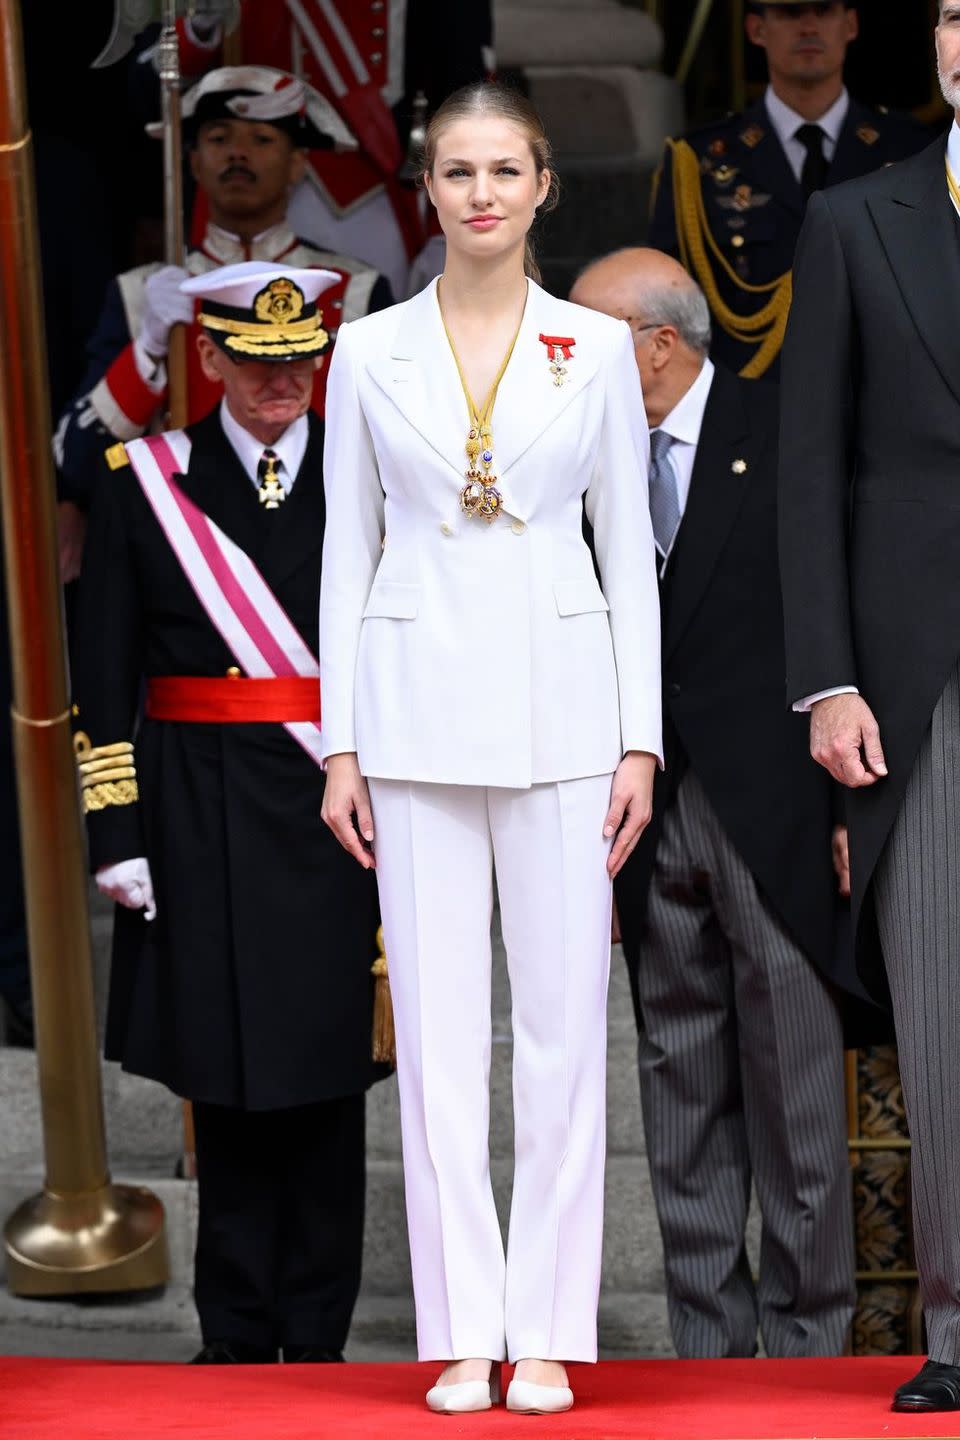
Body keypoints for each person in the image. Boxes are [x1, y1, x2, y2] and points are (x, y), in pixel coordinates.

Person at [318, 83, 662, 1414]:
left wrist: (640, 740)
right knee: (443, 1042)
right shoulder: (367, 350)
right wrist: (341, 744)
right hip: (407, 714)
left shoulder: (593, 343)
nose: (480, 193)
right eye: (456, 171)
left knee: (566, 1035)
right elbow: (349, 549)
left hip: (571, 712)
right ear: (427, 185)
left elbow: (626, 553)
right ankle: (463, 1327)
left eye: (503, 169)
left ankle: (546, 1331)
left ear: (542, 186)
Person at [72, 262, 387, 1364]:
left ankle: (318, 1334)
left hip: (335, 810)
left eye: (298, 360)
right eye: (256, 364)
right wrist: (116, 831)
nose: (280, 384)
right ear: (207, 358)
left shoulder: (370, 477)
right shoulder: (138, 479)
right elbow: (101, 669)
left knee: (325, 1080)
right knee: (225, 1074)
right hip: (193, 812)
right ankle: (238, 1337)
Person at [570, 247, 855, 1360]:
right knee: (678, 1085)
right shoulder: (579, 455)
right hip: (641, 809)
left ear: (655, 343)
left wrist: (850, 815)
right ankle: (711, 1345)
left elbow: (841, 618)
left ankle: (809, 1340)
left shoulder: (784, 431)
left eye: (583, 336)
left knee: (795, 1092)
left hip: (775, 808)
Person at [778, 3, 960, 1412]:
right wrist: (829, 677)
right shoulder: (854, 219)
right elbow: (810, 473)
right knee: (946, 1016)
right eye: (958, 11)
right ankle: (959, 1329)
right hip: (917, 686)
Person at [55, 65, 394, 516]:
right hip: (186, 541)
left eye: (261, 140)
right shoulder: (141, 293)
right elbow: (75, 462)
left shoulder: (357, 290)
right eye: (219, 138)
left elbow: (396, 448)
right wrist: (147, 350)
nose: (238, 153)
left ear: (298, 163)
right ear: (193, 162)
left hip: (318, 532)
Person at [648, 0, 928, 379]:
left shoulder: (913, 148)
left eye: (823, 11)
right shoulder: (697, 161)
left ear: (850, 23)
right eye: (790, 12)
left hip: (887, 388)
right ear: (756, 29)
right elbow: (669, 300)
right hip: (752, 396)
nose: (808, 27)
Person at [176, 0, 495, 299]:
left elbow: (465, 98)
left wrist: (449, 227)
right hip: (247, 187)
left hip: (373, 195)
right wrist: (198, 28)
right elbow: (162, 83)